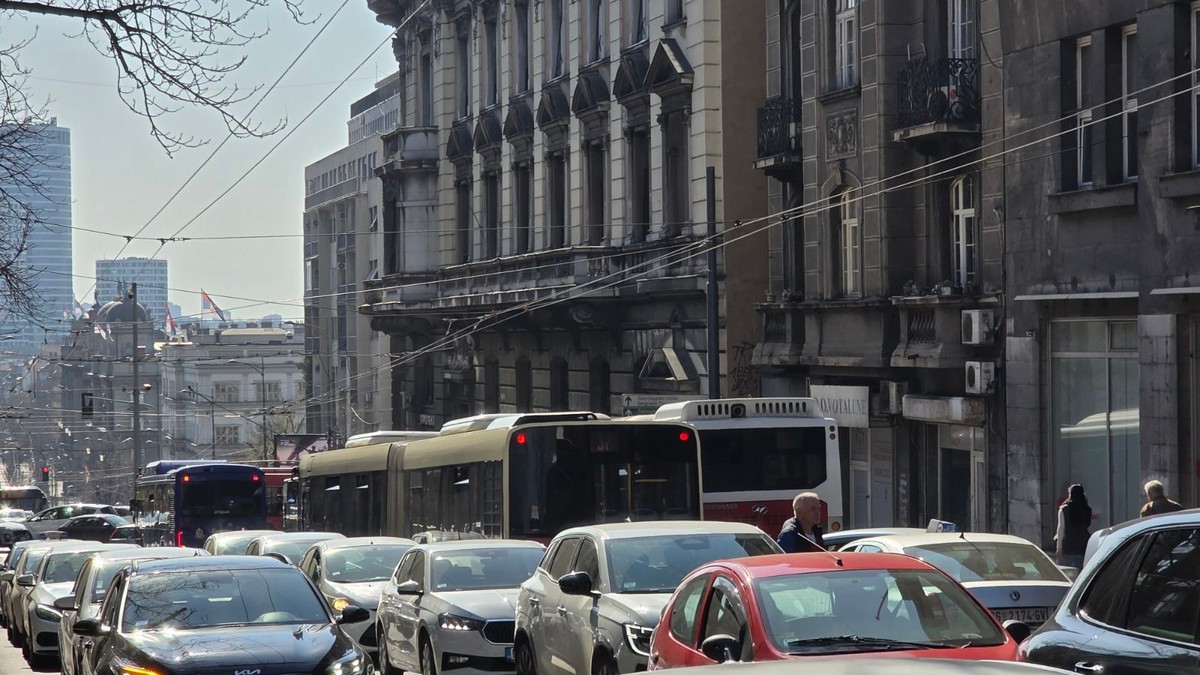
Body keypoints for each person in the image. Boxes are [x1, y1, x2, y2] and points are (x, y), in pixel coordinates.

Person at [1054, 484, 1091, 568]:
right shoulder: (1087, 509)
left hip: (1068, 547)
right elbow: (1087, 525)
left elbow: (1060, 530)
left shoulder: (1064, 509)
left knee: (1066, 573)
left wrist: (1059, 548)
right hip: (1083, 546)